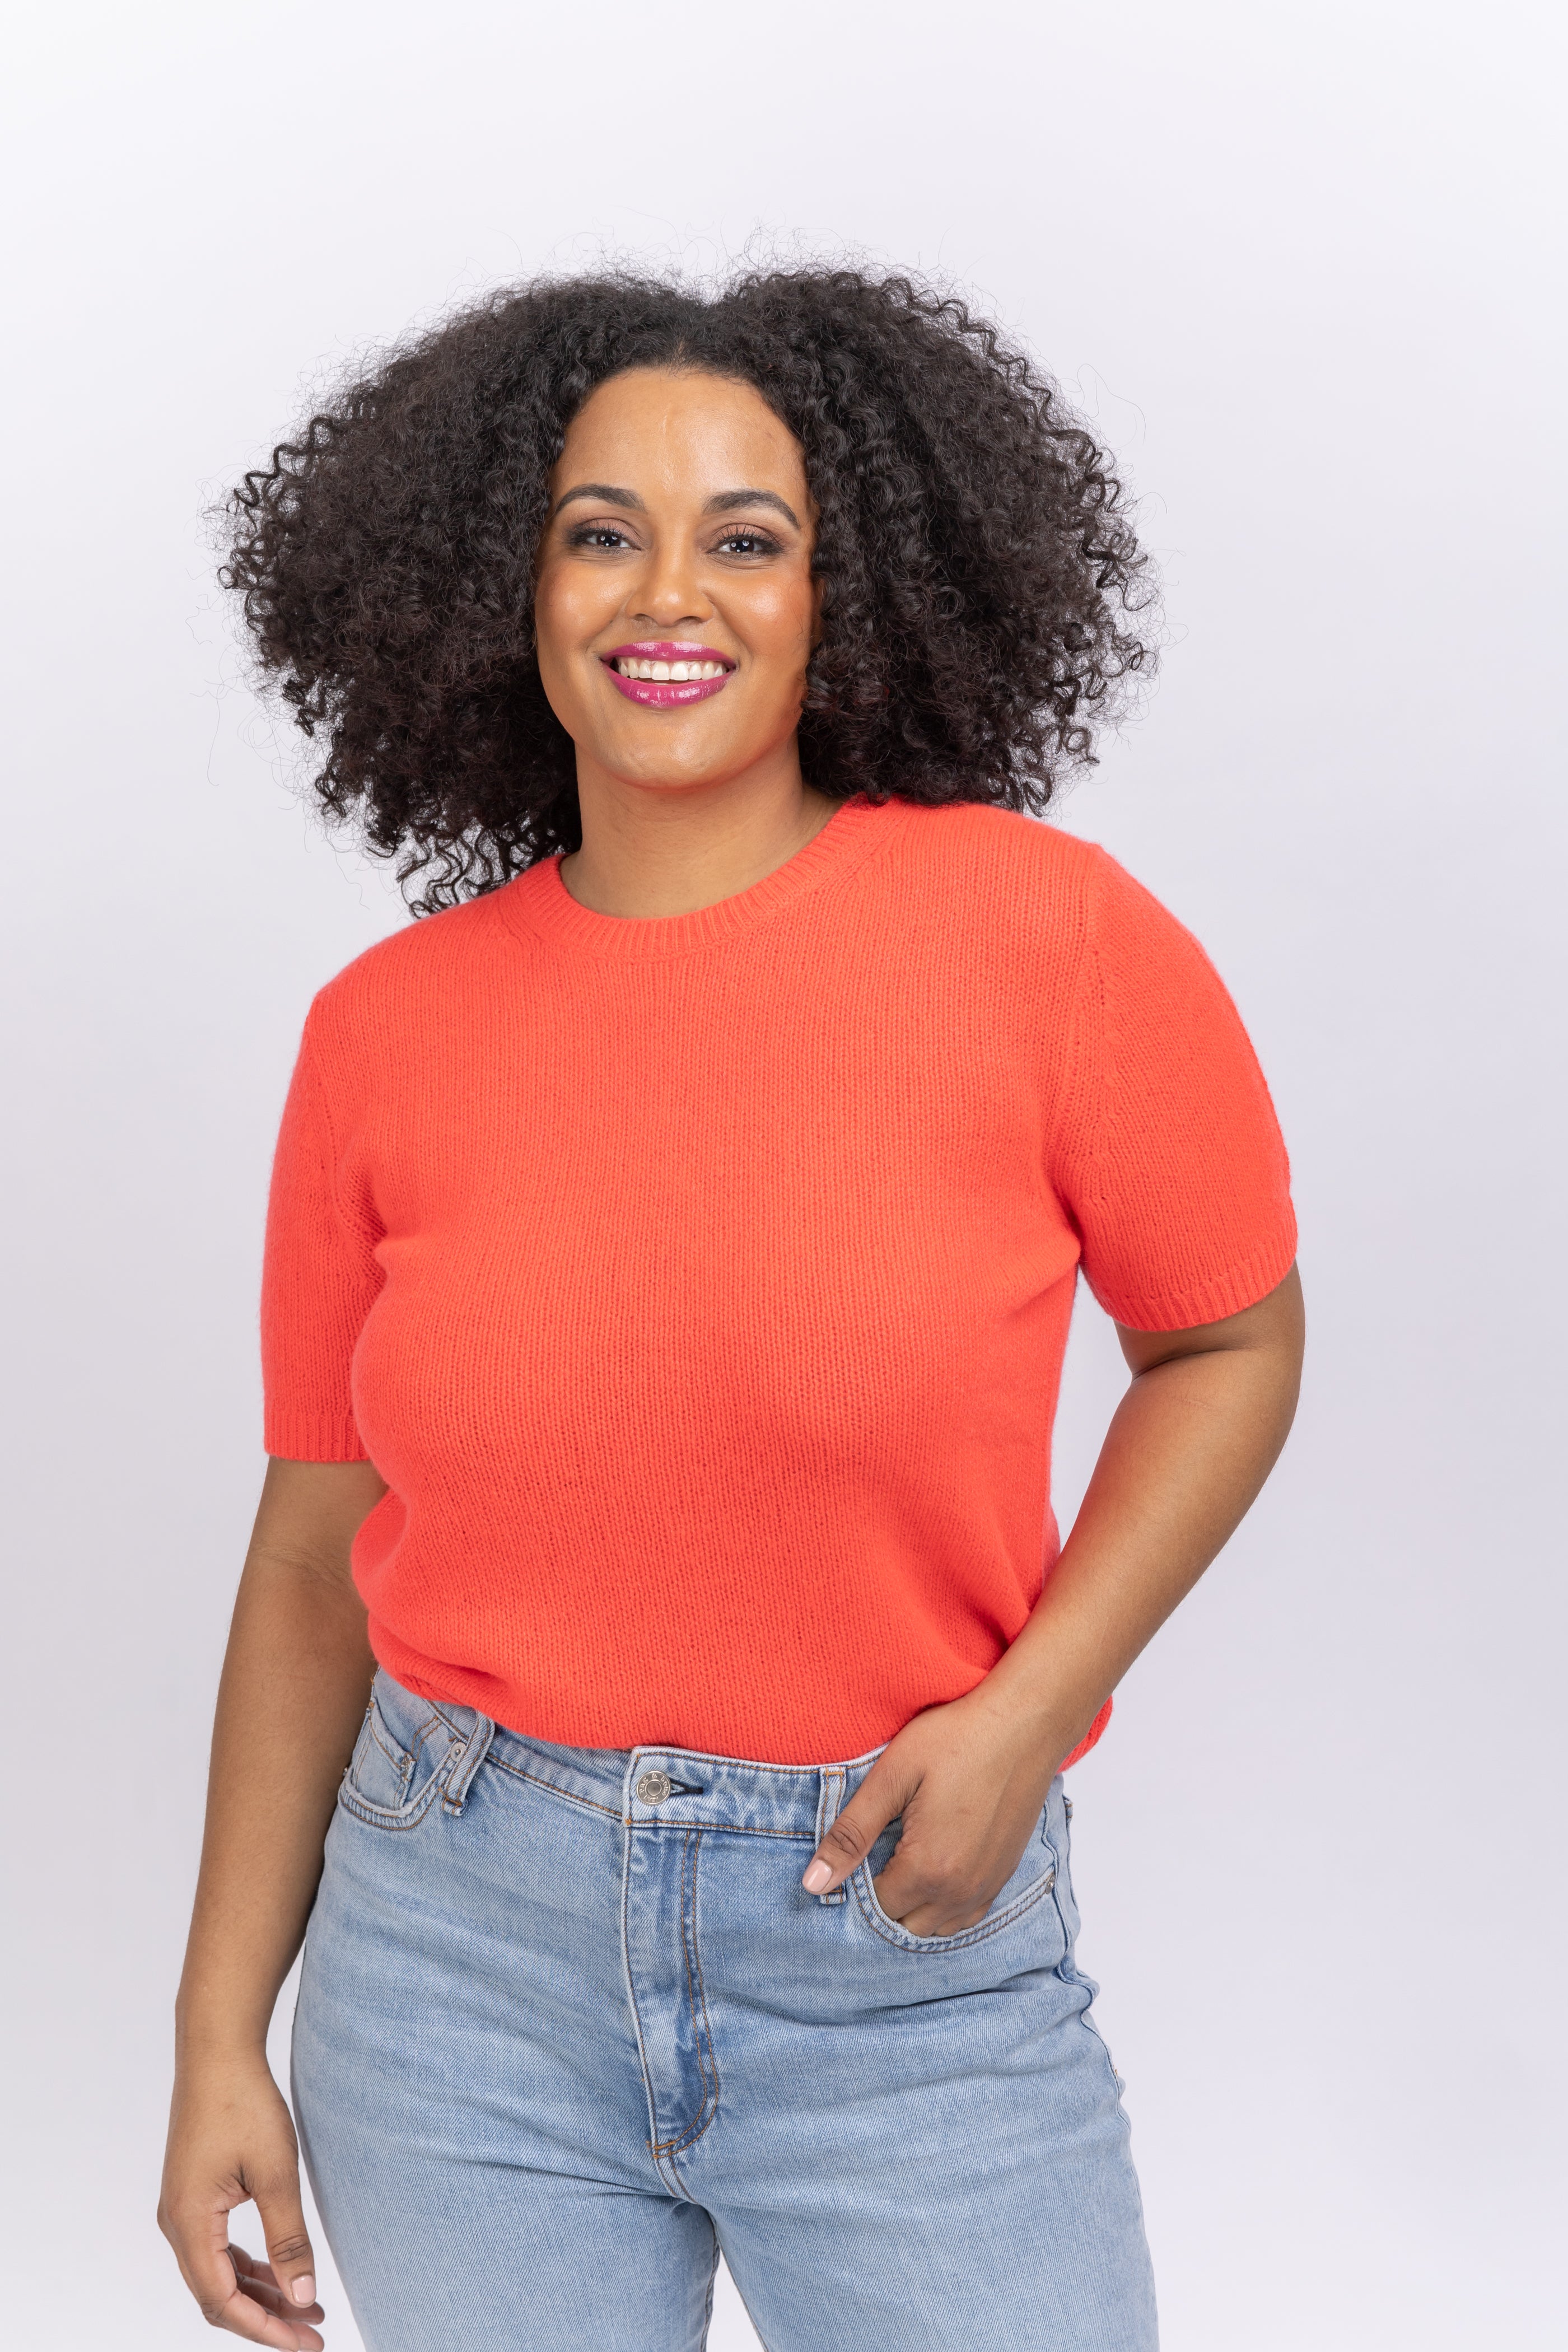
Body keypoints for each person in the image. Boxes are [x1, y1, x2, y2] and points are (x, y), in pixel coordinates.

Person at [158, 268, 1304, 2352]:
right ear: (505, 587)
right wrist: (217, 2028)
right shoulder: (385, 1035)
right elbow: (318, 1545)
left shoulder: (1051, 945)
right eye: (600, 531)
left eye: (746, 538)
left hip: (897, 1940)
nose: (665, 595)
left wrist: (1028, 1716)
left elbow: (1227, 1344)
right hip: (455, 1965)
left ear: (845, 593)